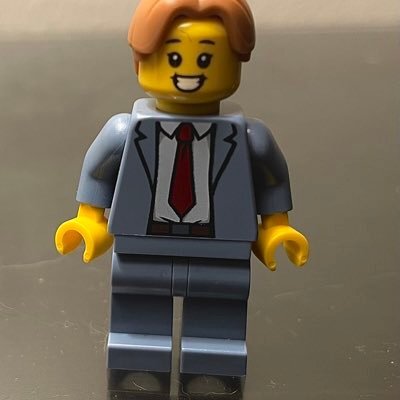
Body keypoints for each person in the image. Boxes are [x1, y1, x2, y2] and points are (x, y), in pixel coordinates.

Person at [55, 0, 309, 377]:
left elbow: (272, 176)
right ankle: (137, 348)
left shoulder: (250, 137)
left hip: (221, 246)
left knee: (219, 307)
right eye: (174, 57)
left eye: (206, 59)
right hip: (142, 242)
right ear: (142, 59)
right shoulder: (125, 131)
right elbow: (98, 171)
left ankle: (215, 353)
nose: (189, 71)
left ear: (237, 60)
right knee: (137, 305)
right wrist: (89, 219)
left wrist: (275, 227)